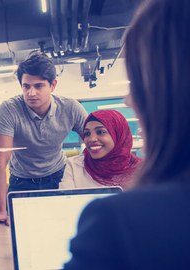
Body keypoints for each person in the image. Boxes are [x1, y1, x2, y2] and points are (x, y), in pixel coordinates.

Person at [64, 0, 190, 269]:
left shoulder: (117, 222)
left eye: (136, 82)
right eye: (87, 133)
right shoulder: (75, 167)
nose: (129, 99)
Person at [0, 51, 88, 228]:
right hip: (21, 182)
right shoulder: (9, 109)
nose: (31, 93)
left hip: (58, 178)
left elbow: (94, 144)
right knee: (15, 233)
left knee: (59, 229)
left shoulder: (71, 107)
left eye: (39, 86)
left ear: (53, 85)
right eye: (26, 86)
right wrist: (0, 210)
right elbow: (0, 162)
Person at [60, 110, 142, 189]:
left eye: (100, 132)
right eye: (87, 133)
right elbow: (65, 201)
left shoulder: (143, 168)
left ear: (118, 135)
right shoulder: (74, 165)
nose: (92, 139)